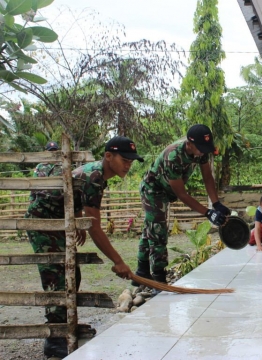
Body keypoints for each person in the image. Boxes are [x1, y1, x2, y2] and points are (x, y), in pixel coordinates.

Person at [25, 136, 143, 359]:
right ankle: (54, 339)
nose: (129, 164)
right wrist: (118, 261)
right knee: (56, 276)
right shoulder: (95, 176)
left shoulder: (98, 176)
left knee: (72, 274)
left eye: (131, 161)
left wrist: (77, 218)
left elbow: (74, 196)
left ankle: (66, 327)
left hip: (61, 219)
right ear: (108, 156)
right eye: (125, 159)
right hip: (44, 219)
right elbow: (95, 228)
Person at [133, 124, 231, 288]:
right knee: (158, 231)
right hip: (152, 190)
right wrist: (208, 213)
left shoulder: (200, 151)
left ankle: (142, 272)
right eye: (200, 148)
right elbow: (182, 194)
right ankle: (159, 281)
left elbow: (207, 177)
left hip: (166, 191)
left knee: (151, 227)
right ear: (189, 144)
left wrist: (216, 203)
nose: (203, 152)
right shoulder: (173, 155)